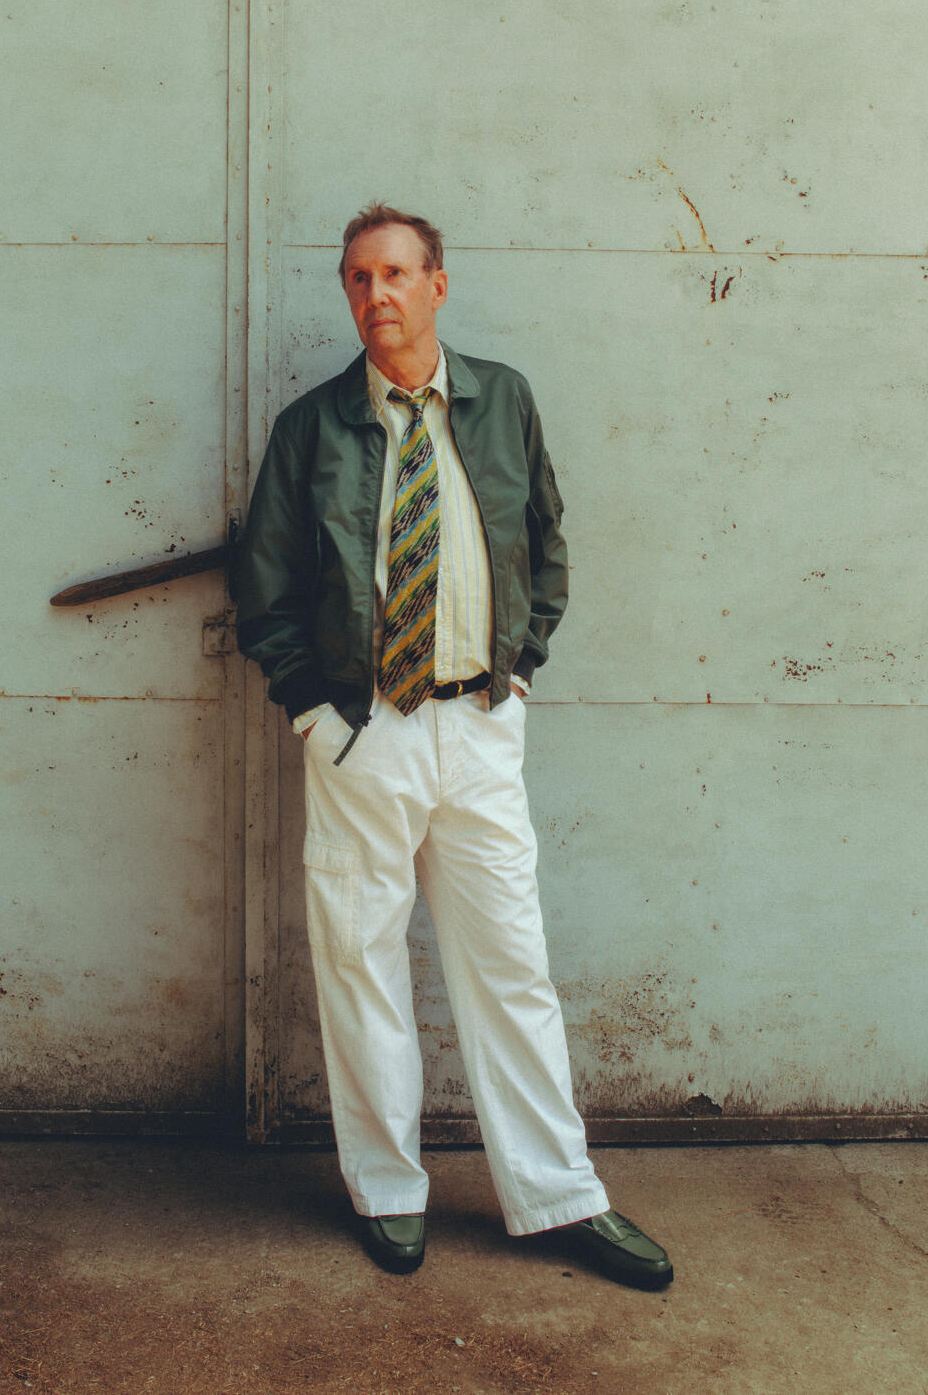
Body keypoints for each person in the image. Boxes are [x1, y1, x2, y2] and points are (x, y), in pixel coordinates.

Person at [235, 203, 672, 1290]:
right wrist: (315, 714)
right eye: (357, 278)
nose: (375, 294)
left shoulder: (502, 399)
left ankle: (560, 1195)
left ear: (437, 285)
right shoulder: (311, 427)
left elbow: (545, 542)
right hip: (363, 730)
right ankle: (388, 1191)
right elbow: (266, 587)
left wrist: (518, 671)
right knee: (360, 961)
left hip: (479, 724)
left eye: (394, 274)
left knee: (511, 964)